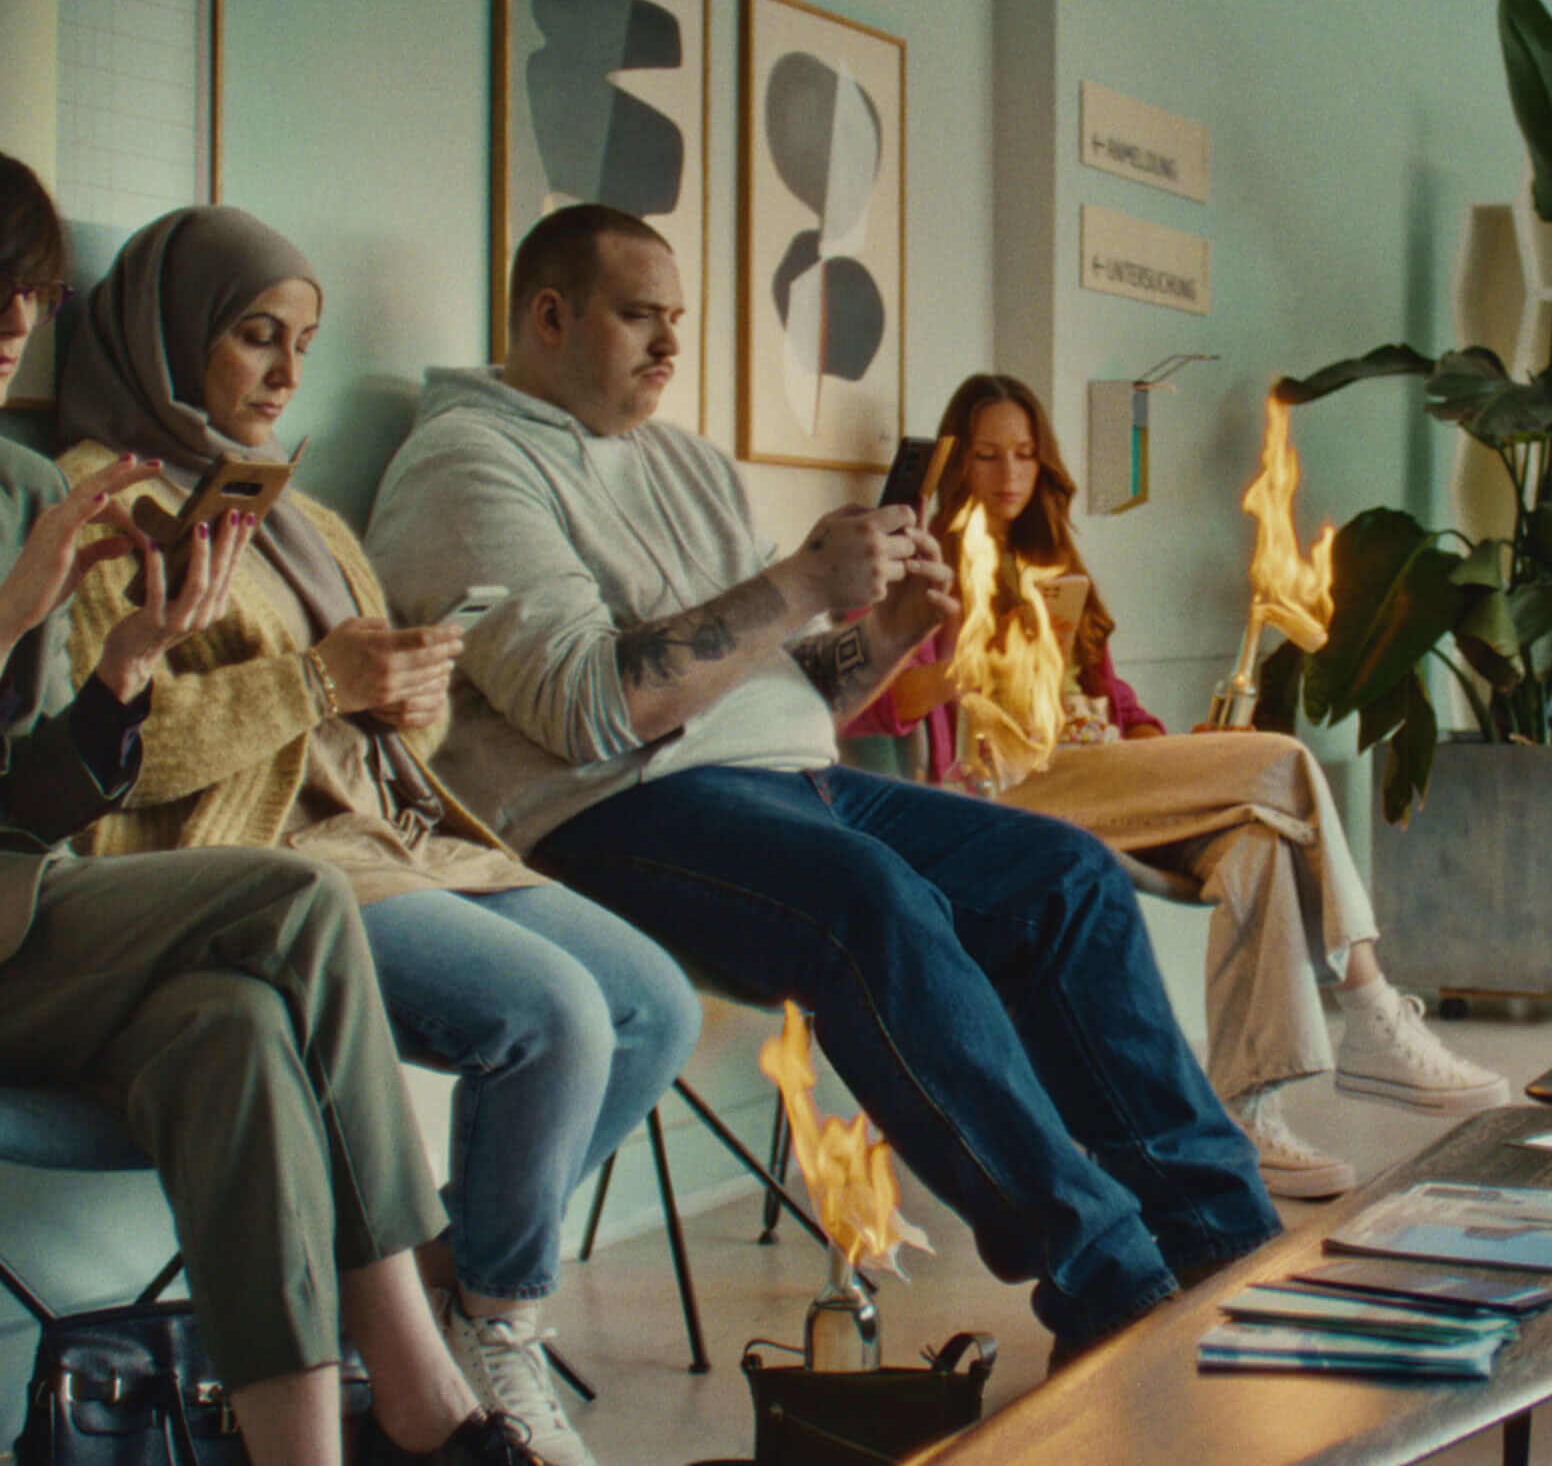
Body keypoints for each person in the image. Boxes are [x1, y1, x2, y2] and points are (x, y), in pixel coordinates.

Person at [363, 204, 1279, 1363]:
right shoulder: (465, 465)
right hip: (606, 811)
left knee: (1067, 874)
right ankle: (1109, 1283)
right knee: (868, 901)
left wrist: (888, 631)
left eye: (677, 318)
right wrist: (800, 580)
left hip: (790, 780)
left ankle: (1224, 1237)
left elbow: (783, 686)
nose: (671, 344)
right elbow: (594, 710)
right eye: (640, 316)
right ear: (548, 316)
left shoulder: (683, 462)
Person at [0, 132, 577, 1466]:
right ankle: (420, 1384)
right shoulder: (48, 518)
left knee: (233, 1028)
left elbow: (24, 808)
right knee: (291, 893)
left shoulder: (12, 489)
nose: (12, 322)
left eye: (32, 292)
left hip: (11, 911)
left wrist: (123, 667)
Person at [52, 206, 699, 1466]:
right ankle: (496, 1331)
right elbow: (112, 762)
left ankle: (435, 1284)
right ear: (169, 334)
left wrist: (409, 696)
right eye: (256, 336)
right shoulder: (98, 507)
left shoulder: (299, 515)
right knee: (555, 1016)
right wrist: (317, 682)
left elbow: (378, 718)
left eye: (304, 343)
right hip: (258, 865)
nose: (288, 373)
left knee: (653, 1005)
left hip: (393, 834)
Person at [843, 374, 1507, 1199]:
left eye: (1023, 453)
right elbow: (871, 706)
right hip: (1003, 793)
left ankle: (1247, 1112)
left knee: (1257, 839)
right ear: (958, 465)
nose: (1008, 473)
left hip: (1098, 773)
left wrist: (1167, 750)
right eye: (986, 455)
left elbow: (1115, 703)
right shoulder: (927, 566)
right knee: (1282, 762)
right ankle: (1369, 1005)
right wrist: (976, 663)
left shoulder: (1054, 562)